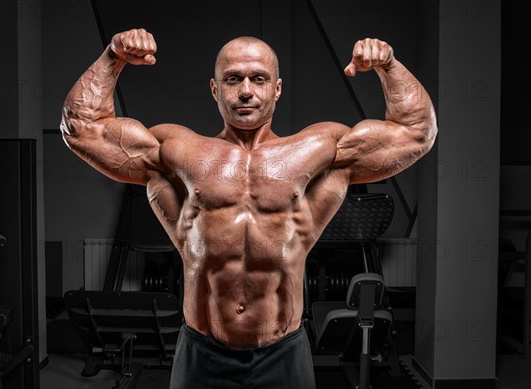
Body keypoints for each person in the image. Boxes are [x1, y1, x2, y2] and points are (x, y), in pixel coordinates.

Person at [60, 28, 437, 389]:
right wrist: (113, 57)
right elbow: (81, 128)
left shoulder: (318, 150)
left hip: (283, 351)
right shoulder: (177, 152)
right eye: (232, 79)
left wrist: (388, 65)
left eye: (258, 79)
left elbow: (417, 132)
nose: (245, 92)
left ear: (277, 89)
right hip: (202, 351)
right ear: (214, 89)